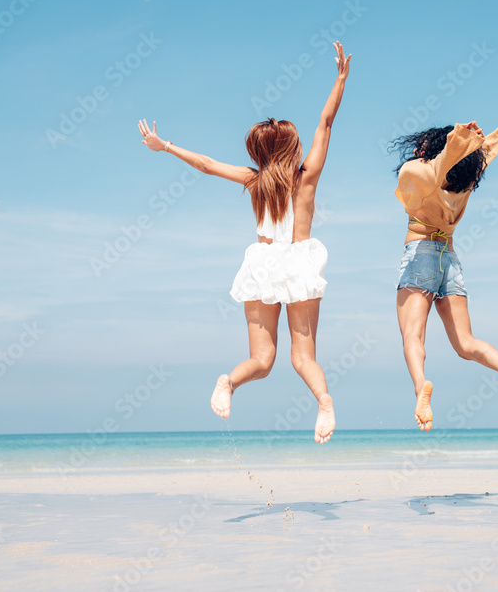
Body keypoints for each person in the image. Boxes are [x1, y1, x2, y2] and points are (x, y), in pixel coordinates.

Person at [137, 42, 352, 444]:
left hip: (263, 265)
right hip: (298, 264)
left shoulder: (254, 181)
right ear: (292, 147)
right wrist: (340, 79)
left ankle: (229, 382)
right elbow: (326, 123)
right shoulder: (307, 178)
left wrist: (164, 146)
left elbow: (206, 164)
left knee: (262, 360)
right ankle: (324, 401)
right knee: (303, 358)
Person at [390, 84, 498, 431]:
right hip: (449, 260)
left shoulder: (426, 178)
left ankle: (421, 385)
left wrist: (452, 144)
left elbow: (421, 176)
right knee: (467, 343)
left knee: (412, 337)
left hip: (420, 254)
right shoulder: (467, 178)